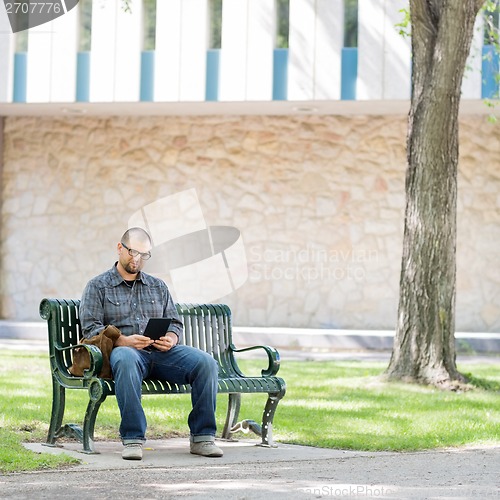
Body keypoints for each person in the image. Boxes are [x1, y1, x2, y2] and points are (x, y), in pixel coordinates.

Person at [79, 227, 223, 460]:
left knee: (206, 363)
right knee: (125, 358)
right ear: (119, 248)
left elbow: (175, 322)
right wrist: (123, 341)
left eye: (144, 255)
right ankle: (133, 439)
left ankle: (202, 437)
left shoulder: (158, 286)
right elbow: (90, 328)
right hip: (127, 354)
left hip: (162, 353)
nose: (137, 259)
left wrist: (172, 338)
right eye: (132, 252)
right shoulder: (97, 286)